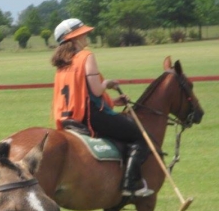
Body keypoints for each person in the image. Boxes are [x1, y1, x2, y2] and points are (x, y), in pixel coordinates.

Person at [51, 18, 153, 199]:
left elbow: (82, 95)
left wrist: (113, 101)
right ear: (74, 38)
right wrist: (108, 83)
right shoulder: (86, 56)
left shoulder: (62, 64)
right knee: (140, 135)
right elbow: (97, 90)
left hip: (68, 121)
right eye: (83, 33)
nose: (86, 35)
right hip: (90, 118)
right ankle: (130, 185)